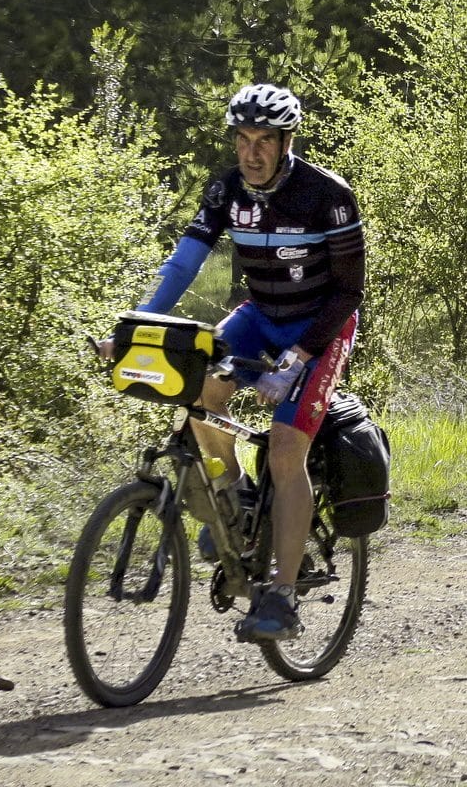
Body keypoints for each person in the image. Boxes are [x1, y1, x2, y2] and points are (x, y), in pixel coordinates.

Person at [103, 84, 365, 642]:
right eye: (244, 139)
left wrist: (298, 357)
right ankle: (237, 500)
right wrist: (135, 327)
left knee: (287, 447)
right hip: (260, 315)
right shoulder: (226, 190)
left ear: (285, 141)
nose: (252, 152)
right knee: (199, 391)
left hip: (321, 326)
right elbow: (184, 264)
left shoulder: (327, 195)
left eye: (265, 139)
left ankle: (281, 596)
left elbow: (349, 293)